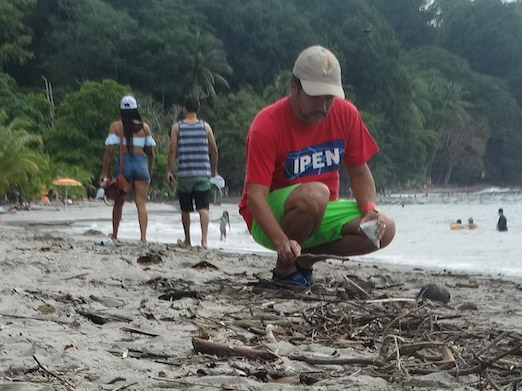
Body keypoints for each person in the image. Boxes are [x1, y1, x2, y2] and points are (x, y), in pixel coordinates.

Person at [240, 45, 395, 287]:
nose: (322, 107)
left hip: (322, 210)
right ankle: (284, 270)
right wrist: (281, 242)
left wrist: (369, 208)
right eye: (315, 98)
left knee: (384, 229)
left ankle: (304, 261)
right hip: (269, 217)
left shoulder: (346, 114)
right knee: (316, 193)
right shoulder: (266, 125)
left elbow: (359, 171)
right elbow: (255, 197)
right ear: (294, 88)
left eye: (329, 99)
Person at [100, 94, 155, 244]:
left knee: (119, 202)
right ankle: (143, 237)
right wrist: (149, 169)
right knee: (141, 203)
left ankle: (115, 235)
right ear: (136, 109)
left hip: (124, 164)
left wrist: (105, 172)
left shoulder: (116, 126)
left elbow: (110, 151)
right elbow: (150, 153)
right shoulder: (145, 128)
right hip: (140, 163)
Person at [166, 98, 219, 248]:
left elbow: (172, 150)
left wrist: (169, 170)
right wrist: (214, 170)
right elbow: (214, 150)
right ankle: (204, 241)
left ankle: (188, 239)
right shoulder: (205, 127)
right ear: (198, 110)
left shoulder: (177, 127)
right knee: (203, 208)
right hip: (203, 173)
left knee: (185, 209)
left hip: (185, 174)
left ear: (185, 110)